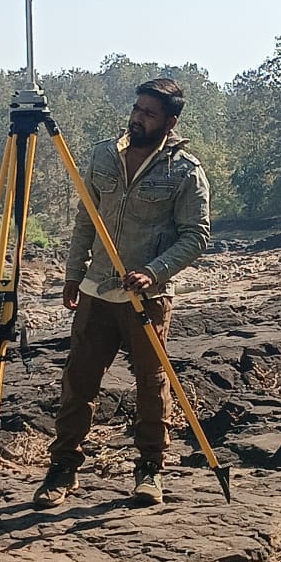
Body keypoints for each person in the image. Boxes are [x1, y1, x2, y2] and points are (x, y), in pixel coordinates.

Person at [33, 78, 211, 509]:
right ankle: (63, 469)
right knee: (78, 382)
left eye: (149, 113)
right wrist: (72, 274)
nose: (138, 117)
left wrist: (154, 271)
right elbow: (85, 220)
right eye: (137, 109)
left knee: (151, 386)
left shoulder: (185, 171)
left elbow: (197, 236)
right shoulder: (101, 156)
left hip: (147, 300)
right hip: (96, 292)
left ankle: (150, 470)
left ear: (169, 121)